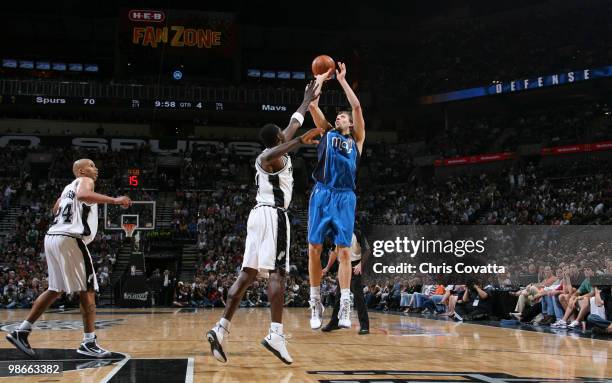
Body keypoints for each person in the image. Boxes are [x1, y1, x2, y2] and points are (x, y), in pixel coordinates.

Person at [207, 82, 321, 365]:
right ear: (279, 138)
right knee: (277, 275)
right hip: (272, 216)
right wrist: (300, 140)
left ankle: (220, 329)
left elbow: (295, 120)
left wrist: (307, 99)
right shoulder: (268, 157)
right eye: (285, 136)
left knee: (246, 275)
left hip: (258, 216)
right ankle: (276, 334)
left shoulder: (279, 148)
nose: (288, 132)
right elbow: (272, 151)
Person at [6, 159, 131, 358]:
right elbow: (83, 195)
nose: (95, 168)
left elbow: (55, 209)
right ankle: (89, 342)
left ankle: (22, 331)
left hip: (52, 237)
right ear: (81, 171)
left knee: (55, 289)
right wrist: (115, 200)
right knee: (87, 290)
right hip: (69, 238)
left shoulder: (66, 189)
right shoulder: (85, 181)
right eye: (91, 165)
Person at [307, 62, 366, 330]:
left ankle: (344, 303)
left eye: (344, 117)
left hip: (345, 197)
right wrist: (319, 79)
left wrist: (342, 80)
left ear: (351, 123)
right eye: (339, 117)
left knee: (344, 252)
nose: (340, 118)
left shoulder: (357, 140)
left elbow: (356, 108)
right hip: (322, 192)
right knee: (314, 248)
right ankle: (315, 300)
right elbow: (312, 106)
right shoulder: (327, 132)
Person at [321, 226, 370, 334]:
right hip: (343, 266)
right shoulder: (337, 234)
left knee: (358, 297)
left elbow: (367, 250)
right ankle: (334, 323)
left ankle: (365, 326)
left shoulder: (357, 233)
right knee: (339, 296)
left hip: (355, 266)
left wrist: (360, 264)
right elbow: (334, 252)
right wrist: (327, 267)